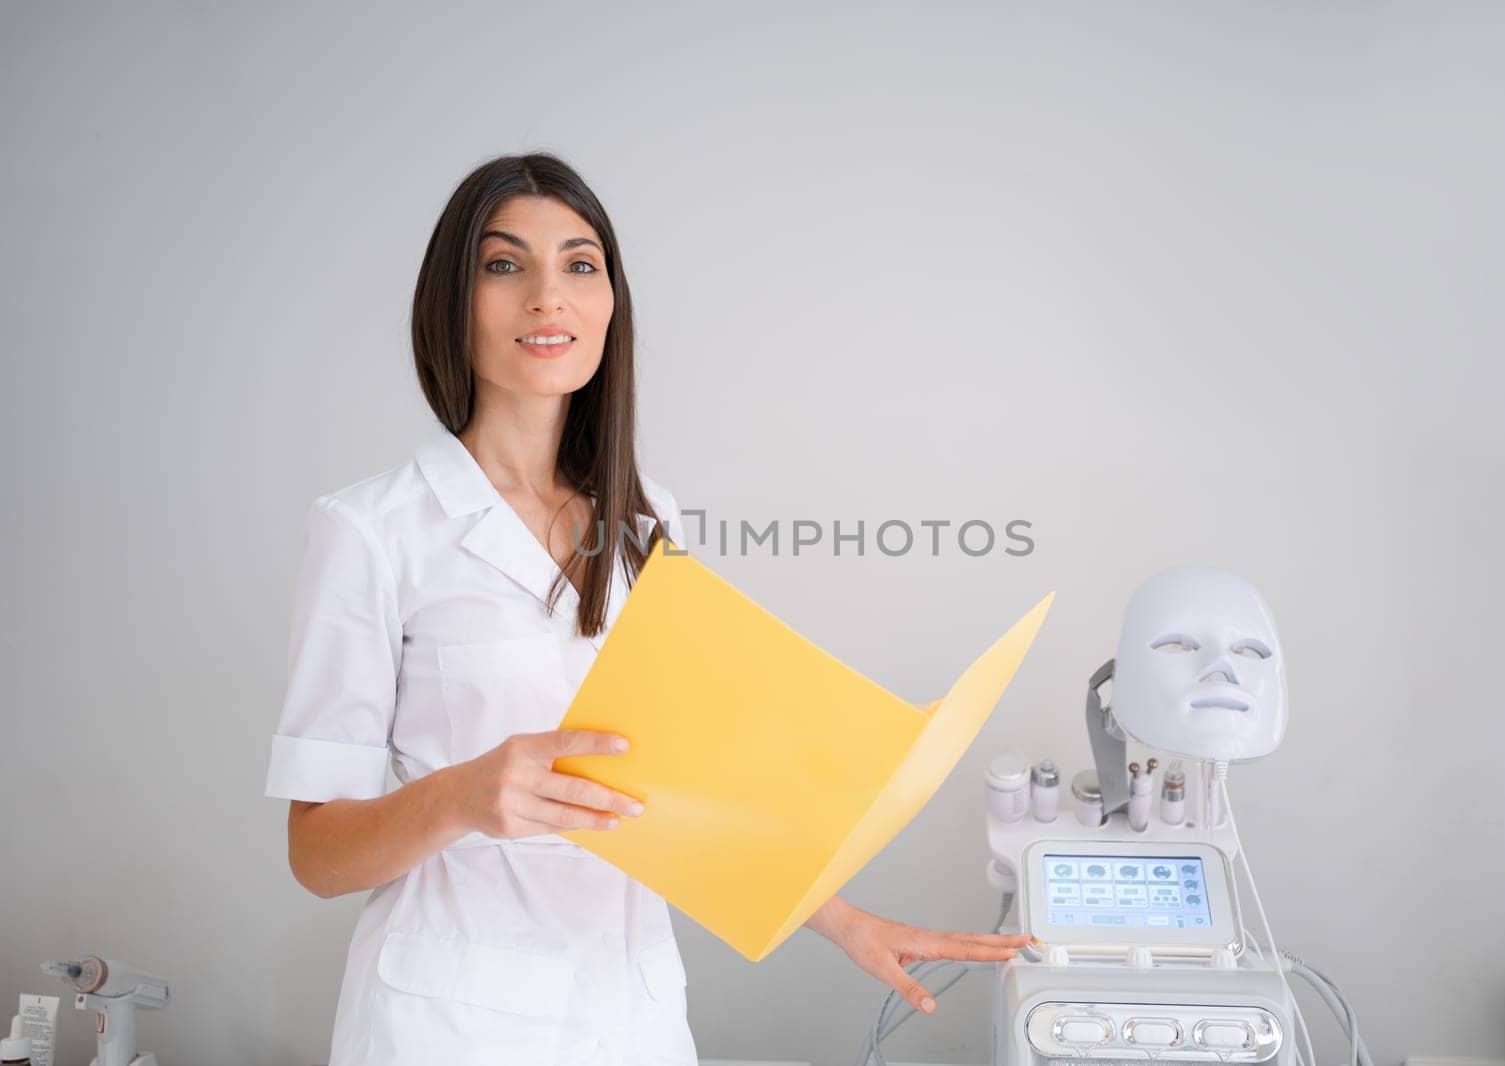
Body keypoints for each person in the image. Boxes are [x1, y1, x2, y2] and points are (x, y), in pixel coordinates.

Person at [264, 151, 1030, 1065]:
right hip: (450, 1021)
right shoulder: (371, 531)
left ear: (609, 304)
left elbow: (687, 786)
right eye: (505, 265)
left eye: (580, 265)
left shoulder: (646, 517)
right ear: (452, 302)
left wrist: (842, 919)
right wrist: (462, 796)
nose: (550, 296)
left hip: (632, 1017)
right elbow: (316, 853)